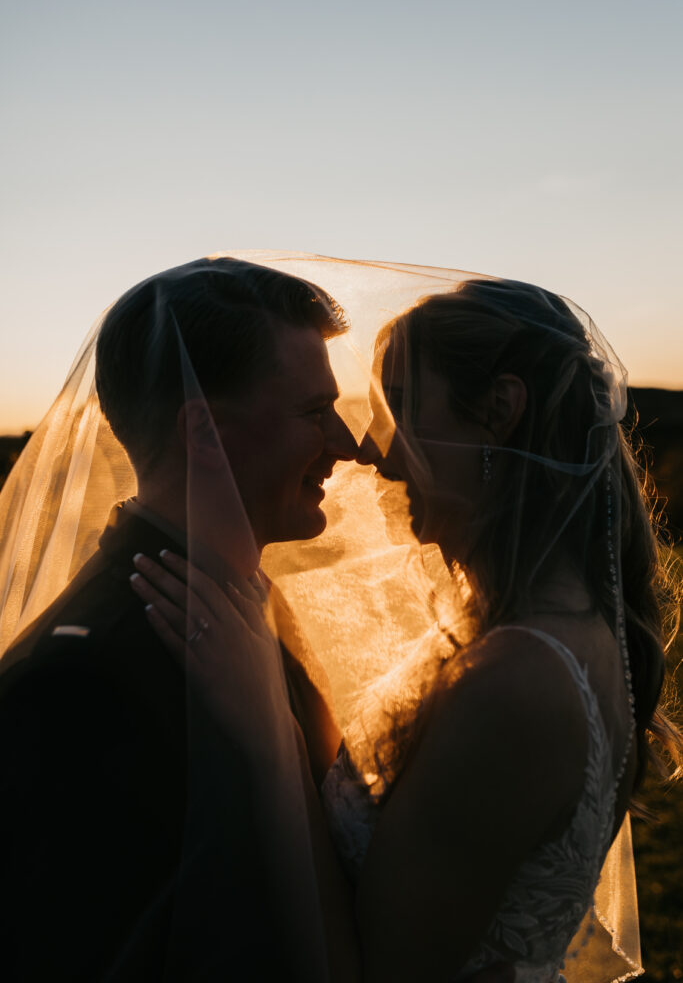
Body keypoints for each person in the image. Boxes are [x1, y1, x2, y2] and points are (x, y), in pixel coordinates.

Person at [135, 268, 682, 982]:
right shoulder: (539, 631)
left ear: (498, 411)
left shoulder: (519, 681)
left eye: (398, 411)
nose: (372, 453)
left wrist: (267, 740)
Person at [0, 257, 361, 981]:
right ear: (202, 429)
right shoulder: (80, 679)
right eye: (312, 412)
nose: (346, 442)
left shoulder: (240, 603)